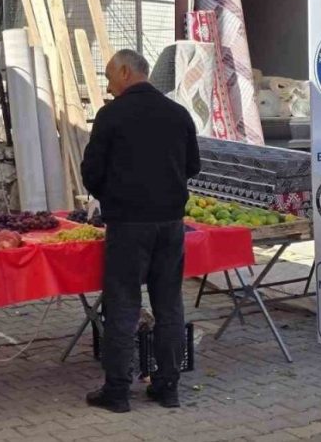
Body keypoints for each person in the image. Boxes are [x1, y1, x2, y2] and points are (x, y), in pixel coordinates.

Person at [80, 49, 201, 413]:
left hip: (128, 223)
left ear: (125, 72)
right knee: (169, 304)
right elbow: (192, 166)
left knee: (122, 304)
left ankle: (117, 391)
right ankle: (168, 387)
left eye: (108, 77)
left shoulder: (111, 116)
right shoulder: (178, 113)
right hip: (170, 222)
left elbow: (91, 173)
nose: (108, 85)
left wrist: (113, 195)